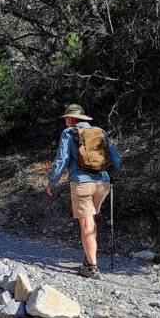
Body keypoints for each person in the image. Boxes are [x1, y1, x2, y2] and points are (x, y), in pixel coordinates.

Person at [44, 104, 122, 278]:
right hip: (103, 184)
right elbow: (116, 157)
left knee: (86, 224)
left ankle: (92, 267)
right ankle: (89, 258)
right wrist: (114, 174)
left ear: (71, 119)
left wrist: (52, 182)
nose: (66, 121)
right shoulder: (100, 131)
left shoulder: (68, 133)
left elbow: (61, 160)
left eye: (66, 118)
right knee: (90, 221)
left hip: (81, 183)